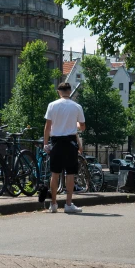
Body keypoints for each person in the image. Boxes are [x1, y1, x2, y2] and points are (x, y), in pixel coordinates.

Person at [43, 82, 86, 214]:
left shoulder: (52, 105)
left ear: (58, 91)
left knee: (54, 174)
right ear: (70, 91)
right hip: (70, 142)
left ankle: (54, 204)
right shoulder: (77, 106)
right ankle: (68, 204)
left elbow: (47, 126)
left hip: (56, 142)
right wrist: (76, 125)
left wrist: (46, 143)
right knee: (70, 174)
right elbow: (82, 127)